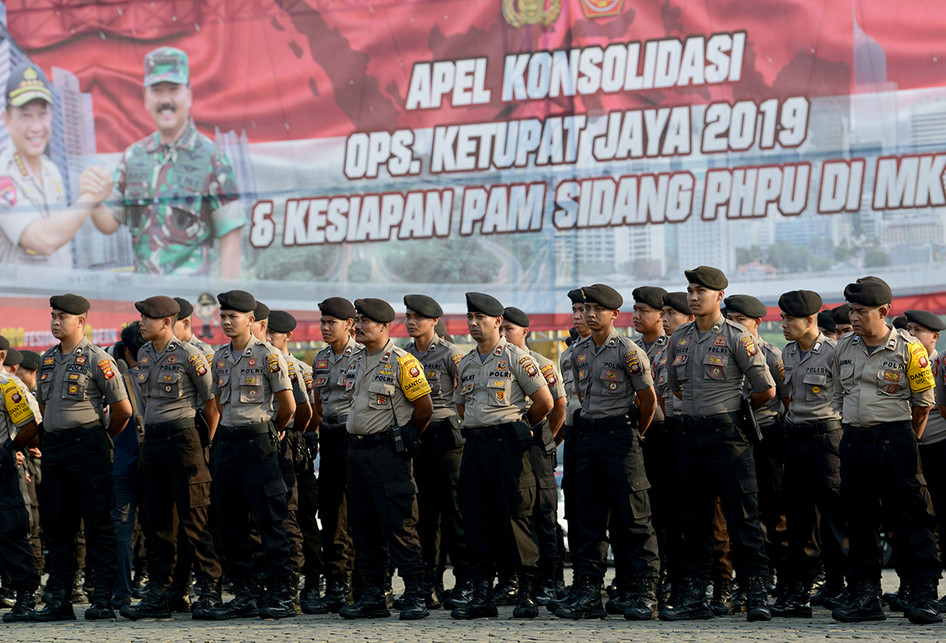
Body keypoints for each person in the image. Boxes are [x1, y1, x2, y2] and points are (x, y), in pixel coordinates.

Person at [661, 266, 775, 623]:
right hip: (691, 435)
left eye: (701, 291)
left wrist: (730, 414)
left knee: (744, 517)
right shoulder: (679, 338)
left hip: (729, 436)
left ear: (719, 297)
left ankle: (755, 592)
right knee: (695, 520)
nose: (694, 297)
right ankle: (695, 595)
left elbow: (766, 389)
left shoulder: (738, 336)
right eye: (690, 290)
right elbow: (676, 387)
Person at [829, 277, 941, 624]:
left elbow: (923, 405)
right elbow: (837, 396)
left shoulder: (909, 348)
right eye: (852, 310)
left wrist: (904, 440)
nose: (855, 317)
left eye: (861, 311)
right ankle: (865, 595)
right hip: (855, 442)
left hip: (896, 440)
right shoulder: (843, 348)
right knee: (860, 521)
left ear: (884, 311)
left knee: (911, 519)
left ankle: (922, 594)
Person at [555, 285, 660, 621]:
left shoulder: (628, 351)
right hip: (588, 438)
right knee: (588, 518)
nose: (589, 315)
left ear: (614, 314)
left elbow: (648, 402)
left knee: (634, 517)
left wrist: (631, 435)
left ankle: (645, 591)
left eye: (598, 309)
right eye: (586, 309)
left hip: (620, 437)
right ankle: (587, 592)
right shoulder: (578, 351)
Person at [90, 47, 244, 277]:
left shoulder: (213, 159)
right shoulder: (133, 157)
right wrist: (93, 197)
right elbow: (108, 223)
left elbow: (231, 240)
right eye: (157, 91)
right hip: (145, 304)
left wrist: (229, 307)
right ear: (145, 98)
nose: (165, 100)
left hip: (190, 305)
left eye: (173, 90)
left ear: (189, 95)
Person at [118, 296, 223, 620]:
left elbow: (212, 405)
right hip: (154, 444)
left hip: (185, 441)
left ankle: (208, 591)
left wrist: (207, 446)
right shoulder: (146, 354)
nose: (141, 323)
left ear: (166, 322)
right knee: (158, 521)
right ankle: (159, 593)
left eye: (147, 318)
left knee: (195, 519)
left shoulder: (191, 356)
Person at [30, 294, 132, 621]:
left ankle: (103, 598)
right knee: (58, 525)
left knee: (98, 522)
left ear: (81, 321)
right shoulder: (47, 360)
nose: (55, 322)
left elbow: (123, 411)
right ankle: (59, 599)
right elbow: (44, 408)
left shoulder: (98, 359)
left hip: (88, 446)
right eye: (53, 316)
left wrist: (100, 438)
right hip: (55, 448)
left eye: (62, 317)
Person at [450, 292, 552, 620]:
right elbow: (462, 407)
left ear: (497, 322)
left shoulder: (515, 358)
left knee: (516, 517)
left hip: (507, 447)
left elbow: (545, 402)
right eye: (470, 318)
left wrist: (520, 427)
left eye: (481, 318)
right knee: (476, 520)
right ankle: (482, 594)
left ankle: (526, 592)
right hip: (476, 447)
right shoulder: (465, 363)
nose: (474, 323)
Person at [338, 298, 433, 620]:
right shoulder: (356, 359)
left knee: (400, 524)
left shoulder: (402, 362)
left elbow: (424, 409)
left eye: (365, 321)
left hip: (387, 454)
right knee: (363, 527)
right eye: (357, 320)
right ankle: (373, 596)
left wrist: (403, 437)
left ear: (383, 326)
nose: (359, 326)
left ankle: (415, 593)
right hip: (357, 453)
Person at [205, 290, 296, 620]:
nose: (227, 322)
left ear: (252, 321)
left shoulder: (269, 355)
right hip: (228, 444)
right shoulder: (219, 357)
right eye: (223, 316)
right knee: (230, 523)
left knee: (270, 521)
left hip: (258, 443)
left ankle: (281, 595)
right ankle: (245, 593)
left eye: (234, 317)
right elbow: (215, 402)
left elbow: (288, 407)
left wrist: (271, 430)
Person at [772, 290, 847, 618]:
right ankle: (799, 590)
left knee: (834, 516)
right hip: (796, 438)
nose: (783, 324)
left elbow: (847, 396)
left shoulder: (834, 352)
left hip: (827, 439)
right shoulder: (787, 353)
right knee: (799, 517)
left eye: (789, 319)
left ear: (810, 320)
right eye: (782, 317)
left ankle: (846, 585)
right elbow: (786, 397)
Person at [0, 63, 112, 267]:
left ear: (51, 115)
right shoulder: (3, 175)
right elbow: (43, 240)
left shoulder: (51, 170)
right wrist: (90, 198)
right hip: (18, 299)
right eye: (25, 115)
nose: (36, 127)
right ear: (6, 120)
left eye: (42, 114)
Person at [402, 294, 468, 609]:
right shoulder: (402, 355)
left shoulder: (451, 355)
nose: (411, 321)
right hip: (418, 439)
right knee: (423, 516)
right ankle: (428, 583)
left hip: (447, 438)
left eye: (418, 317)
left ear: (433, 321)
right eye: (408, 316)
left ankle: (466, 584)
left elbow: (468, 398)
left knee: (456, 512)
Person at [500, 307, 566, 607]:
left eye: (509, 329)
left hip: (535, 445)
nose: (503, 335)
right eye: (500, 329)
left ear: (525, 332)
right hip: (508, 448)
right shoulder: (496, 362)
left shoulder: (540, 363)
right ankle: (513, 579)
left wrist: (544, 439)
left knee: (543, 512)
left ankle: (549, 581)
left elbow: (558, 407)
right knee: (513, 512)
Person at [724, 295, 790, 593]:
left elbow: (786, 400)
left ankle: (784, 576)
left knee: (775, 510)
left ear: (757, 323)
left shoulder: (773, 356)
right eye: (731, 319)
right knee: (742, 510)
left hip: (766, 436)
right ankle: (753, 577)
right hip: (736, 438)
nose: (734, 325)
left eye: (740, 320)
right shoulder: (724, 348)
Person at [302, 297, 359, 614]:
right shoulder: (320, 359)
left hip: (358, 438)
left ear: (349, 325)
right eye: (322, 322)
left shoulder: (364, 356)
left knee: (361, 510)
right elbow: (319, 404)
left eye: (331, 323)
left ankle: (364, 582)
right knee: (332, 510)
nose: (324, 328)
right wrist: (313, 433)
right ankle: (336, 582)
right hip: (332, 438)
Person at [266, 310, 317, 606]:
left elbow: (308, 412)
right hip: (264, 448)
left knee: (299, 515)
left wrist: (293, 436)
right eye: (266, 332)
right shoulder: (261, 360)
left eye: (273, 333)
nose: (268, 338)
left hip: (290, 446)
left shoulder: (297, 368)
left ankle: (306, 582)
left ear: (287, 336)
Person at [0, 368, 43, 621]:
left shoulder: (7, 385)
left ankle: (26, 595)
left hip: (3, 470)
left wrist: (8, 450)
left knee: (11, 532)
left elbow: (29, 426)